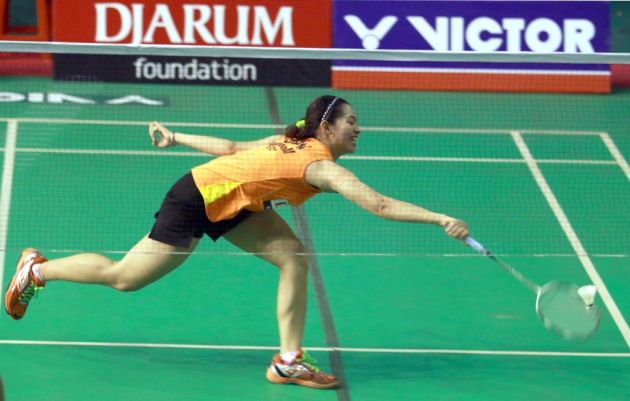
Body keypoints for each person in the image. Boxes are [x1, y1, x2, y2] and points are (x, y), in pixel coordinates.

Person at [4, 95, 469, 389]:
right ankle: (38, 269)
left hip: (237, 203)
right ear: (327, 129)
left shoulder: (293, 142)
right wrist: (441, 218)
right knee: (125, 278)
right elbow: (379, 205)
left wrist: (176, 136)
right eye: (352, 122)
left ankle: (289, 360)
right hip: (197, 197)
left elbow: (231, 149)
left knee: (293, 258)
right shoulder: (320, 166)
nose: (358, 129)